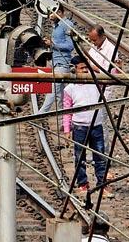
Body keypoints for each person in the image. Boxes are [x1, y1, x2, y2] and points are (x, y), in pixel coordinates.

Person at [63, 56, 112, 197]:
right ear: (74, 70)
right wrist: (67, 130)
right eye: (82, 68)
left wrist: (95, 68)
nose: (85, 70)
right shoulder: (70, 89)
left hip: (96, 126)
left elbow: (112, 77)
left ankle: (102, 185)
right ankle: (83, 184)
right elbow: (67, 111)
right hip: (79, 127)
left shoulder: (96, 81)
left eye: (86, 67)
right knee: (80, 157)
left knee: (100, 157)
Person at [44, 11, 75, 114]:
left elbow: (70, 46)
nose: (50, 17)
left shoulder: (66, 25)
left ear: (59, 12)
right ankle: (66, 121)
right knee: (60, 95)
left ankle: (39, 115)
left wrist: (53, 44)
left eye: (52, 14)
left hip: (62, 63)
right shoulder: (57, 26)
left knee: (53, 91)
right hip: (55, 63)